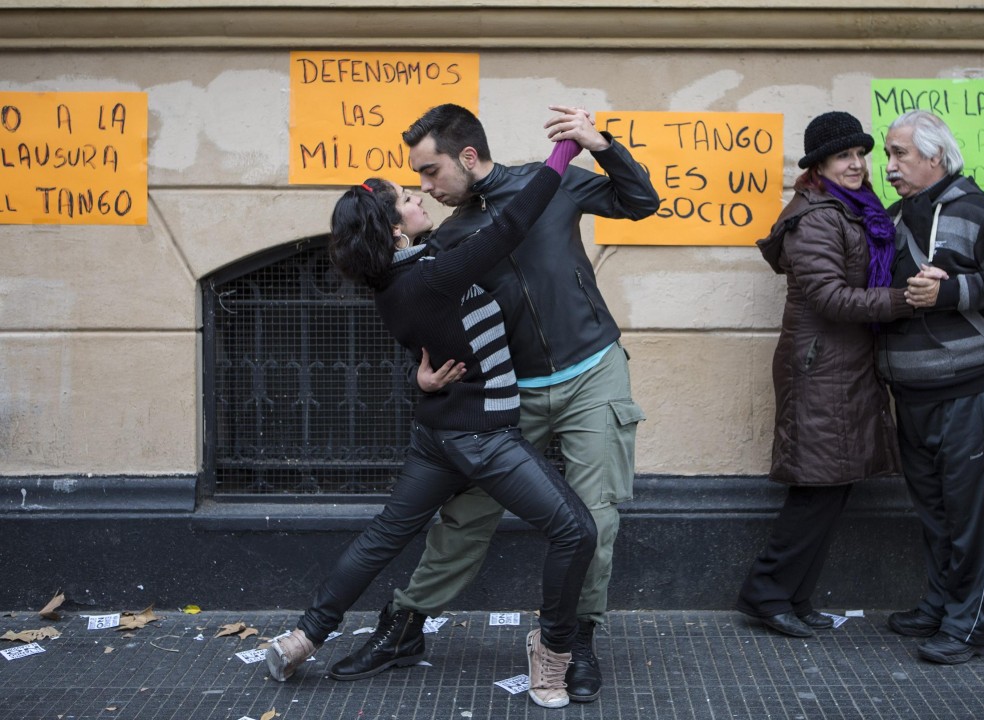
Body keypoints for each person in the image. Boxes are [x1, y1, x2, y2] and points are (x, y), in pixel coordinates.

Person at [329, 103, 659, 703]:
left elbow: (641, 203)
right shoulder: (445, 236)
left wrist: (603, 146)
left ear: (467, 157)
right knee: (467, 515)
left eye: (430, 171)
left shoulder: (549, 184)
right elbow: (421, 319)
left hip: (593, 372)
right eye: (417, 179)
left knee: (596, 515)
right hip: (505, 396)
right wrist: (421, 380)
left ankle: (573, 642)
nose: (425, 187)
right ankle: (404, 626)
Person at [265, 131, 599, 709]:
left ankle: (304, 638)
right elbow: (512, 224)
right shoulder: (433, 275)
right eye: (406, 198)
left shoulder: (397, 279)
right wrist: (566, 152)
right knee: (577, 531)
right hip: (482, 436)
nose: (419, 196)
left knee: (383, 536)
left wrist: (417, 380)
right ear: (396, 229)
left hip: (436, 434)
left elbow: (430, 339)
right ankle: (552, 653)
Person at [736, 111, 928, 638]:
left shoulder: (852, 209)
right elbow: (830, 297)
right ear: (819, 165)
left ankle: (793, 595)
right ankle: (765, 593)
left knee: (833, 486)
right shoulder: (817, 217)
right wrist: (905, 301)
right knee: (816, 489)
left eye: (861, 154)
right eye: (844, 155)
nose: (857, 164)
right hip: (819, 368)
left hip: (842, 365)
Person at [877, 110, 984, 665]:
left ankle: (971, 625)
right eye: (887, 154)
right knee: (936, 512)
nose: (889, 165)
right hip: (912, 391)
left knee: (978, 515)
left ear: (935, 156)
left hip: (974, 387)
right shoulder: (893, 218)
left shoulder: (980, 212)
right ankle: (940, 605)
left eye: (900, 153)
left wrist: (952, 291)